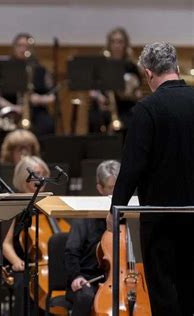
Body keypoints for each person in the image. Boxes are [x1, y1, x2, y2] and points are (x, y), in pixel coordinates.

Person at [108, 42, 194, 315]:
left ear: (147, 73)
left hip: (161, 219)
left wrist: (116, 208)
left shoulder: (147, 108)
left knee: (164, 293)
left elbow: (133, 165)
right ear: (177, 68)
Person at [2, 156, 70, 315]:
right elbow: (6, 243)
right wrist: (16, 261)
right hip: (24, 263)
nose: (41, 178)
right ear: (22, 178)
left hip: (50, 264)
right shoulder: (15, 204)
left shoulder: (51, 202)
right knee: (23, 283)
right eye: (36, 174)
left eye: (43, 173)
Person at [64, 160, 120, 316]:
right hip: (88, 279)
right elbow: (71, 251)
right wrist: (76, 276)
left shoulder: (128, 216)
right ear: (100, 189)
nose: (116, 194)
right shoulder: (85, 218)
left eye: (119, 188)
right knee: (86, 297)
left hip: (120, 280)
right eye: (111, 189)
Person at [0, 33, 56, 136]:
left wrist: (38, 99)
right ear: (14, 48)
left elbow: (52, 96)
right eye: (20, 46)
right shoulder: (5, 70)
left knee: (47, 124)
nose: (23, 49)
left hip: (35, 111)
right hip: (11, 110)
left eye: (27, 47)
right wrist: (13, 108)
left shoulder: (40, 70)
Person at [89, 27, 142, 133]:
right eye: (113, 42)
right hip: (104, 106)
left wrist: (132, 92)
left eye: (120, 42)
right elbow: (92, 89)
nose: (116, 45)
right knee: (95, 118)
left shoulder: (131, 66)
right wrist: (98, 97)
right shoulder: (102, 64)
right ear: (109, 44)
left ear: (125, 44)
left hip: (125, 107)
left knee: (133, 120)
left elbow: (137, 92)